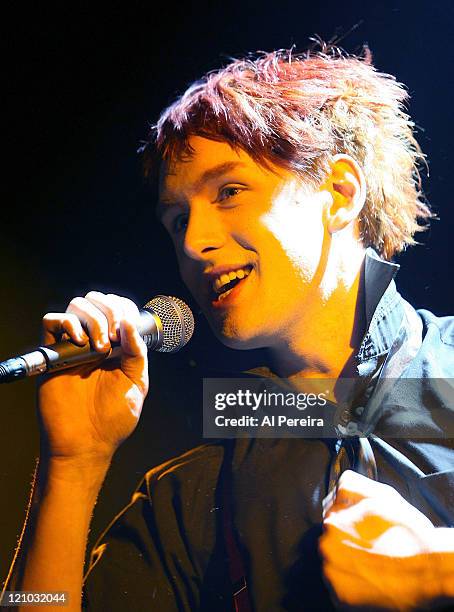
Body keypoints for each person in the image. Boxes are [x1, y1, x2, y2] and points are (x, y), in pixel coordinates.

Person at [5, 46, 454, 611]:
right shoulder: (191, 495)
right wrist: (71, 468)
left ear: (339, 193)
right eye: (177, 221)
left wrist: (439, 570)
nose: (193, 243)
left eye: (229, 192)